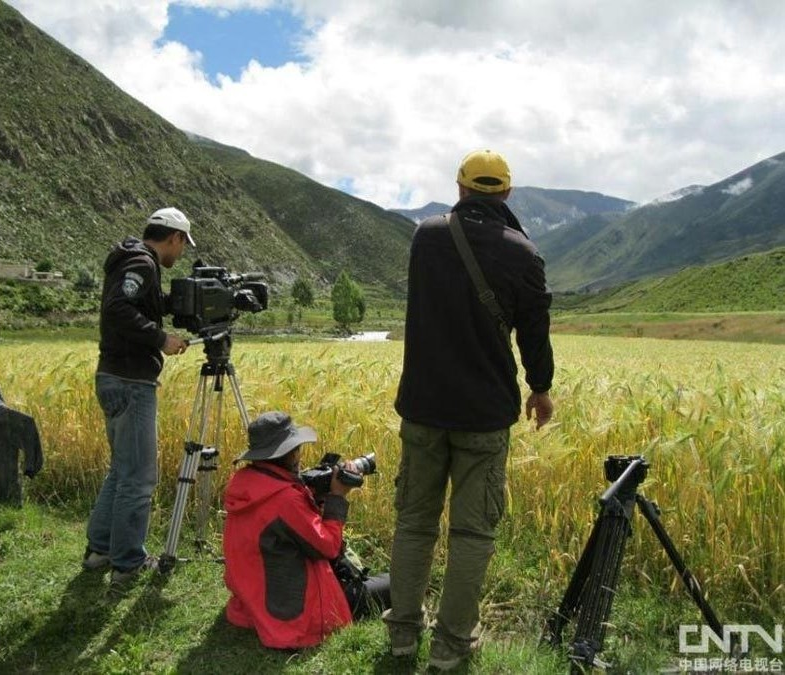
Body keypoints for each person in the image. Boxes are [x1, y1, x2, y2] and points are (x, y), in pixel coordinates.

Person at [385, 149, 555, 670]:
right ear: (505, 193)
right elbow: (534, 330)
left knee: (414, 523)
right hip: (484, 413)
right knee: (472, 532)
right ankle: (452, 646)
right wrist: (540, 387)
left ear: (460, 189)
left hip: (423, 406)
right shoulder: (523, 253)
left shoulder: (427, 237)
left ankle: (402, 638)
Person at [82, 207, 194, 588]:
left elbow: (132, 305)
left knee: (122, 471)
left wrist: (171, 306)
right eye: (182, 246)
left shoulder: (130, 260)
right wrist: (162, 339)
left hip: (113, 375)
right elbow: (118, 309)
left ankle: (100, 549)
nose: (179, 255)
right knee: (139, 478)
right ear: (174, 237)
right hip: (131, 381)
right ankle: (128, 564)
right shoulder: (142, 262)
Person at [222, 411, 390, 649]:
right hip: (291, 611)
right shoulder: (285, 500)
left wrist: (311, 497)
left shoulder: (246, 483)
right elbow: (329, 547)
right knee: (394, 584)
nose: (300, 454)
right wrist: (337, 497)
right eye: (297, 449)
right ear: (289, 453)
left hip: (254, 597)